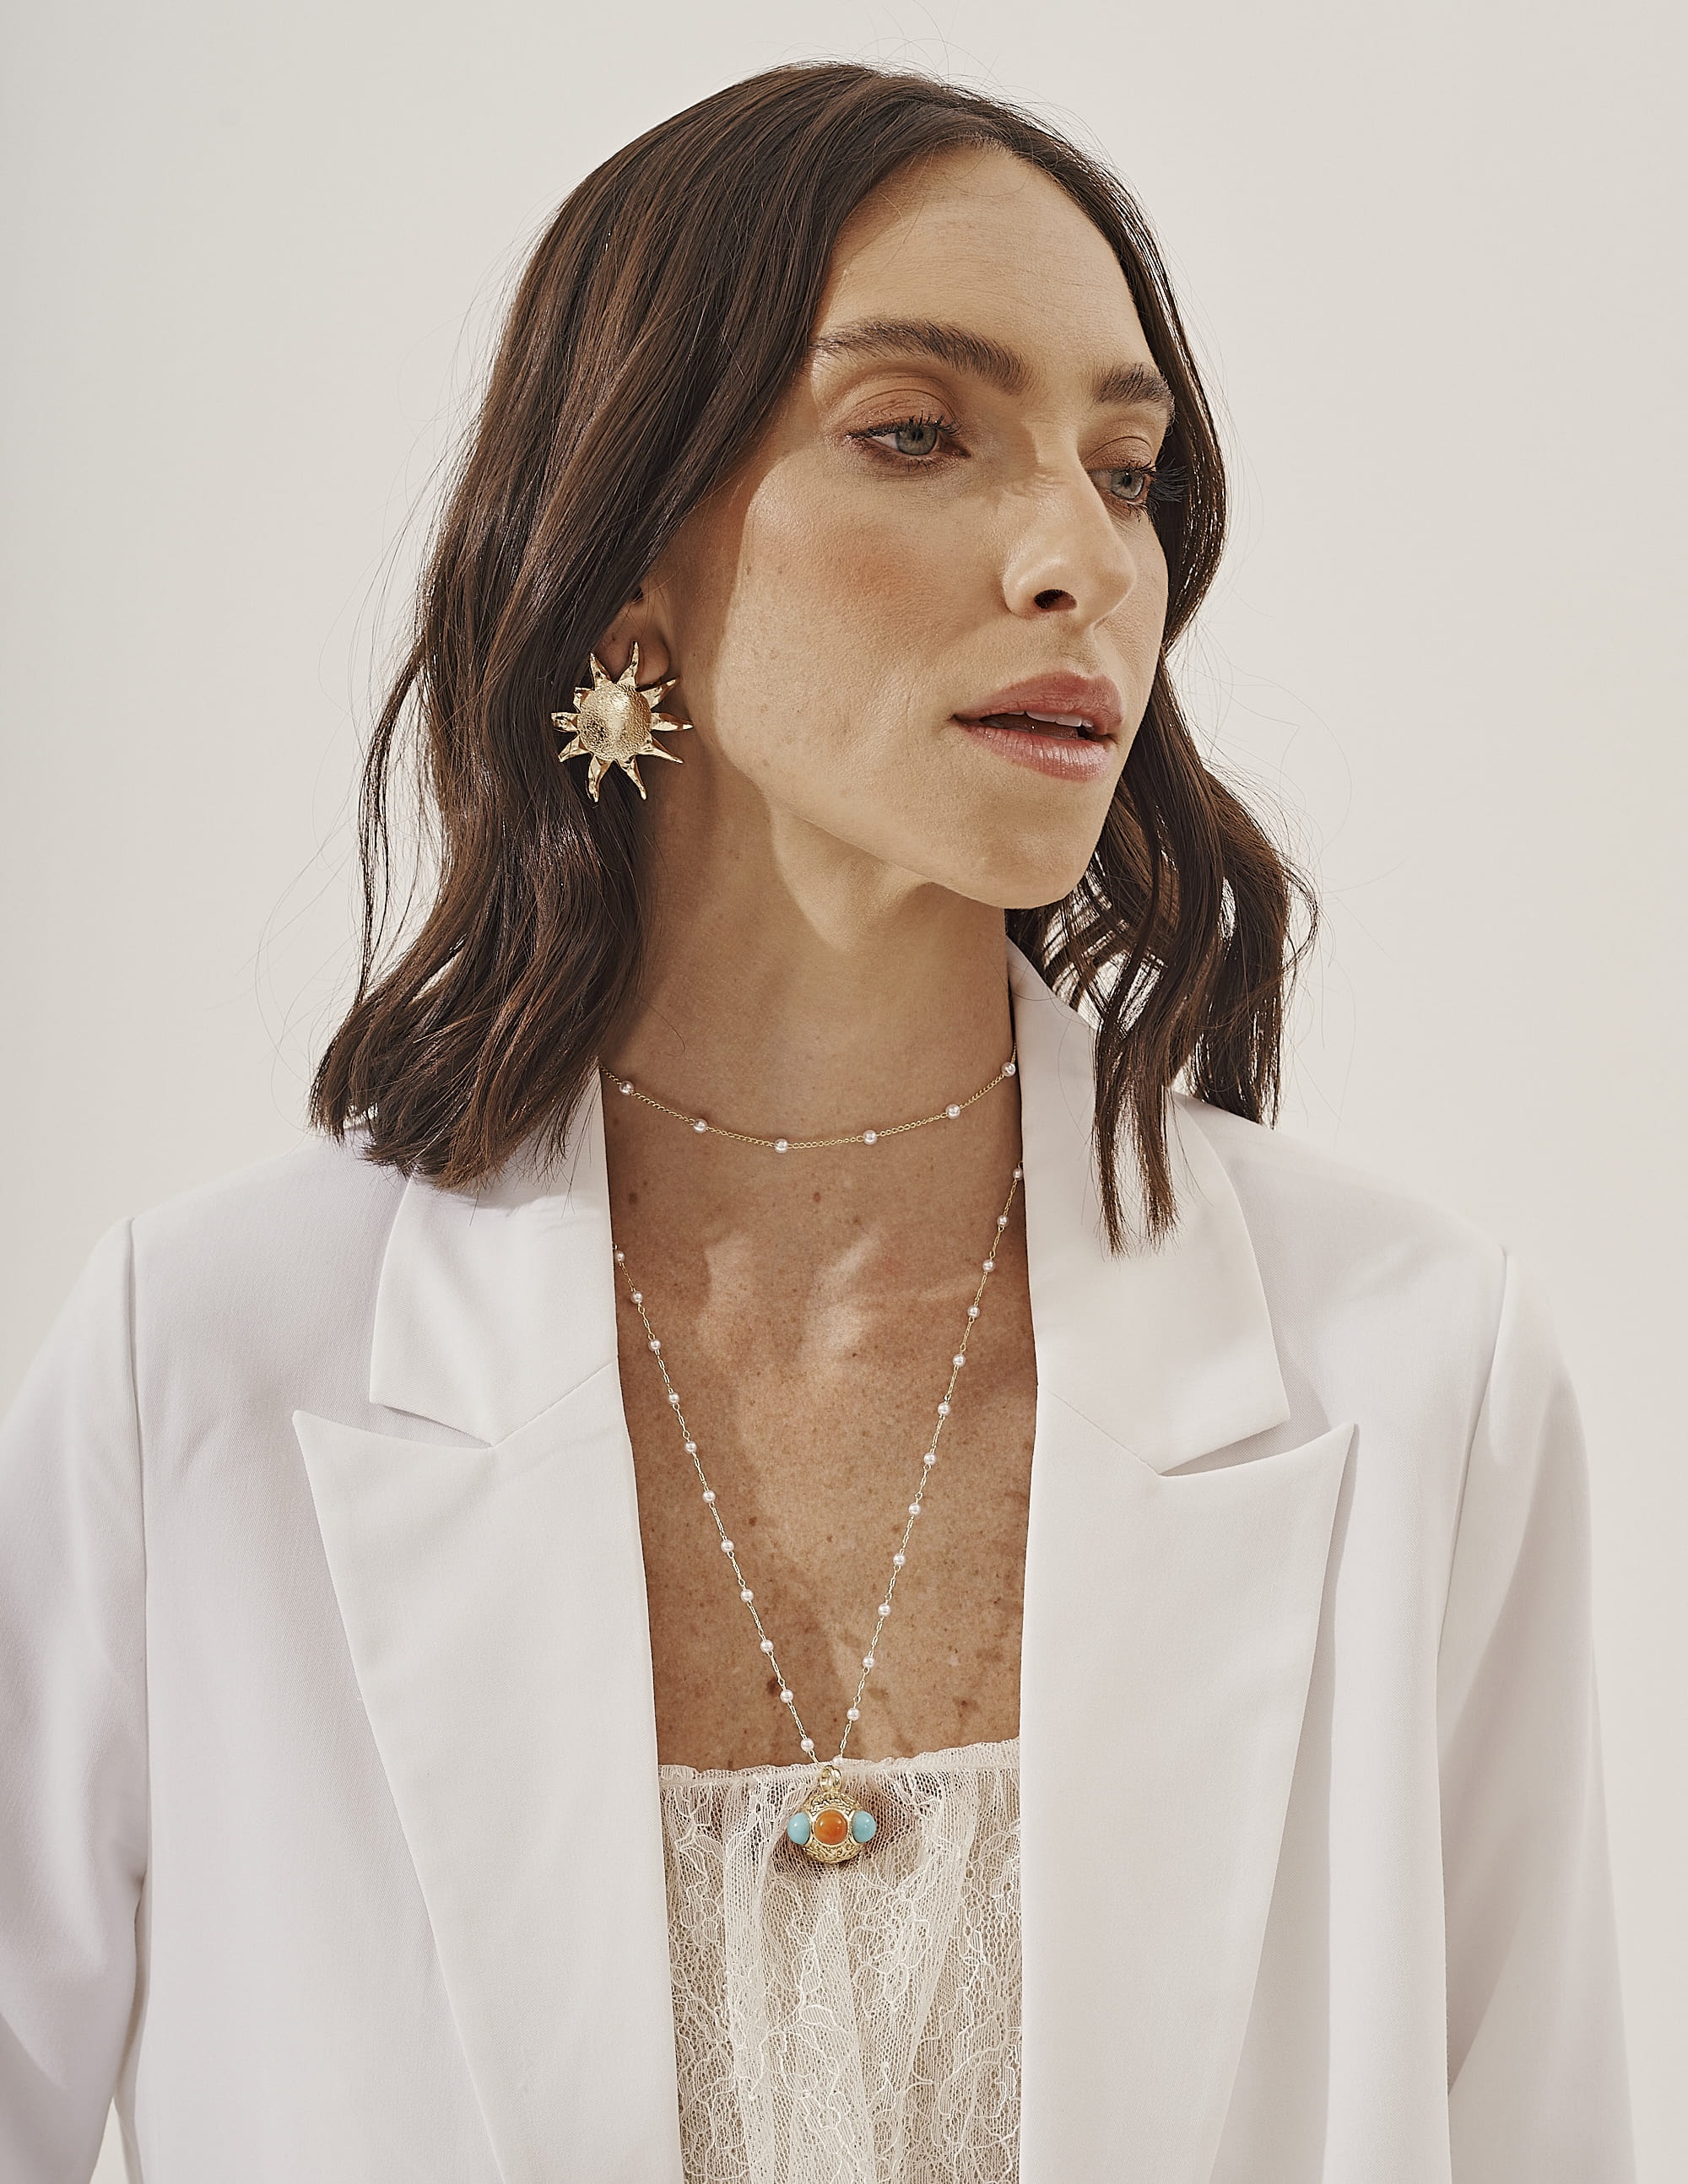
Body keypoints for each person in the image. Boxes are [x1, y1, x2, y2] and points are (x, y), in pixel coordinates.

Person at [0, 60, 1633, 2184]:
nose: (1078, 560)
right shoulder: (204, 1373)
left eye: (1126, 471)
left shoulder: (1416, 1377)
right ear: (626, 557)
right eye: (916, 432)